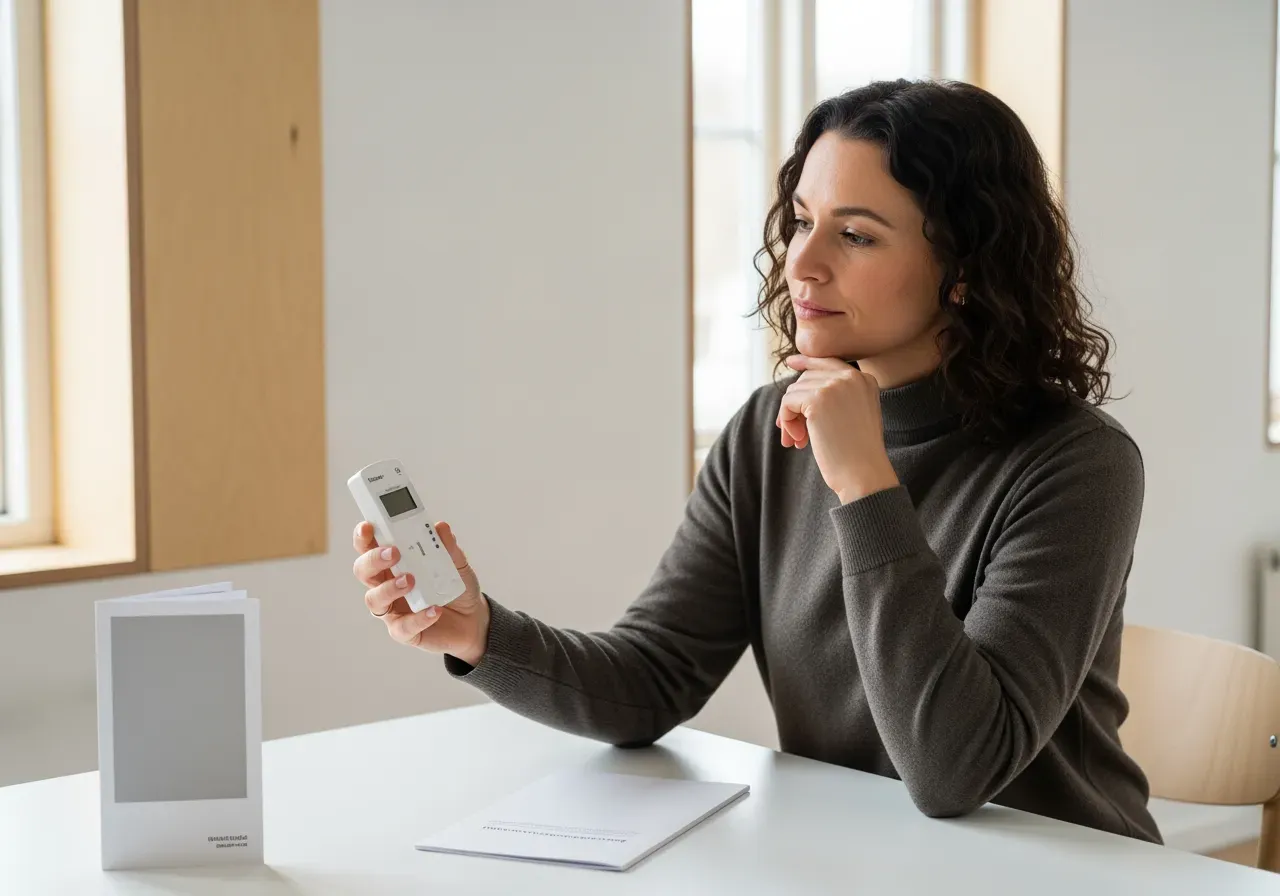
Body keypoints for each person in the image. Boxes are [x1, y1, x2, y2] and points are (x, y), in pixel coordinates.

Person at [351, 79, 1160, 843]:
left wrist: (863, 482)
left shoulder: (1077, 465)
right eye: (801, 220)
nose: (803, 264)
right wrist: (481, 633)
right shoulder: (764, 435)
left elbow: (956, 771)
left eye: (855, 234)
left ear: (965, 270)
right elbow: (654, 676)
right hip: (861, 861)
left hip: (1064, 868)